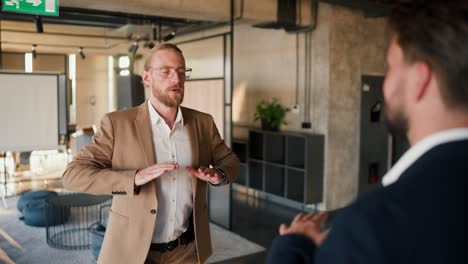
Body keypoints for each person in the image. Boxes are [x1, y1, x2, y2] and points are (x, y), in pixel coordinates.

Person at [266, 1, 468, 263]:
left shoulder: (373, 226)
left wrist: (292, 244)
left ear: (421, 79)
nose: (385, 84)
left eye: (390, 67)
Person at [62, 43, 240, 264]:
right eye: (166, 71)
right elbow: (72, 175)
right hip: (133, 252)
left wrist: (219, 175)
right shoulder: (117, 124)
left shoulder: (203, 123)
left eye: (182, 72)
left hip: (186, 251)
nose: (176, 79)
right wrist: (133, 178)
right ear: (146, 77)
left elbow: (230, 160)